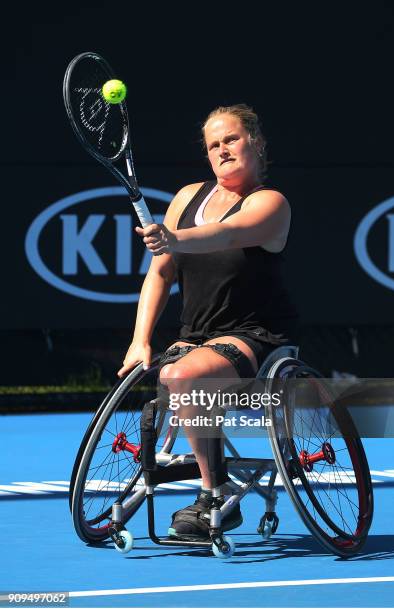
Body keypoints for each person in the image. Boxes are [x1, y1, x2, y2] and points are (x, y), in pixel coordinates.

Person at [117, 103, 298, 540]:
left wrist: (174, 237)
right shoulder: (186, 198)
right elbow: (161, 272)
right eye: (214, 144)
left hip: (258, 338)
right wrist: (140, 339)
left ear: (255, 143)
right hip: (196, 339)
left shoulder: (271, 203)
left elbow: (231, 233)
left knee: (182, 375)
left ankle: (214, 494)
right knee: (176, 372)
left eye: (231, 139)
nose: (222, 149)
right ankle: (178, 474)